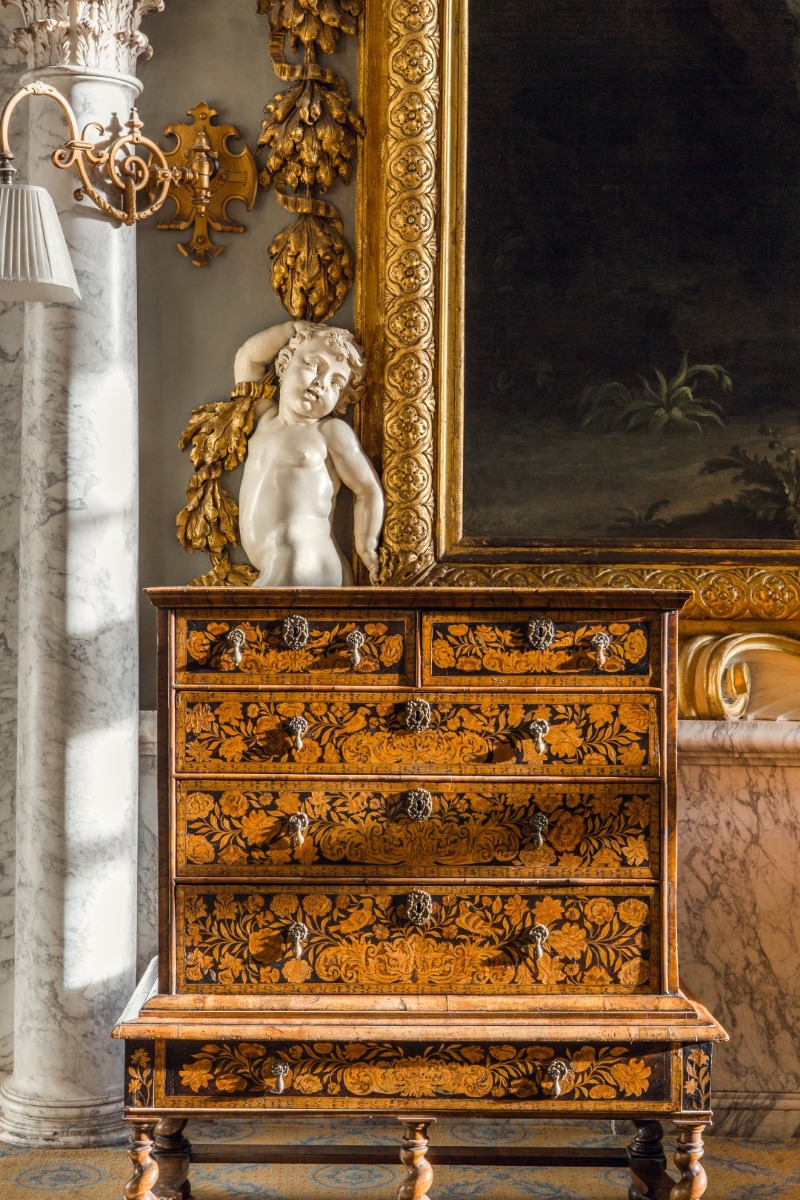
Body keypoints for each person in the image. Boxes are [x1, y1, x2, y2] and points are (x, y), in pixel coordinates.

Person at [236, 320, 384, 586]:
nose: (322, 383)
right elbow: (248, 359)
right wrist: (291, 330)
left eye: (336, 384)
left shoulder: (329, 432)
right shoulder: (263, 418)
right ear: (284, 365)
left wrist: (366, 546)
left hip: (304, 557)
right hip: (277, 561)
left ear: (340, 400)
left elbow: (367, 489)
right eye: (315, 365)